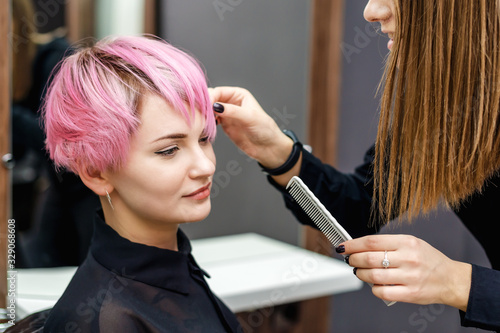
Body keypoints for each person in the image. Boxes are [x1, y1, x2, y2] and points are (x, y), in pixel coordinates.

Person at [210, 0, 500, 331]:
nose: (371, 11)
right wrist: (274, 150)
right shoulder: (449, 112)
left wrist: (459, 283)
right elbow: (356, 210)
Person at [7, 35, 241, 332]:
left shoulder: (174, 269)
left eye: (204, 138)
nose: (206, 166)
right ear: (96, 172)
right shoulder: (108, 320)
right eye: (169, 150)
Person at [11, 0, 100, 268]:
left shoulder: (56, 58)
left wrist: (7, 113)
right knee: (42, 268)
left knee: (92, 275)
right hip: (60, 187)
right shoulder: (16, 74)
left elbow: (61, 141)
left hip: (92, 188)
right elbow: (17, 150)